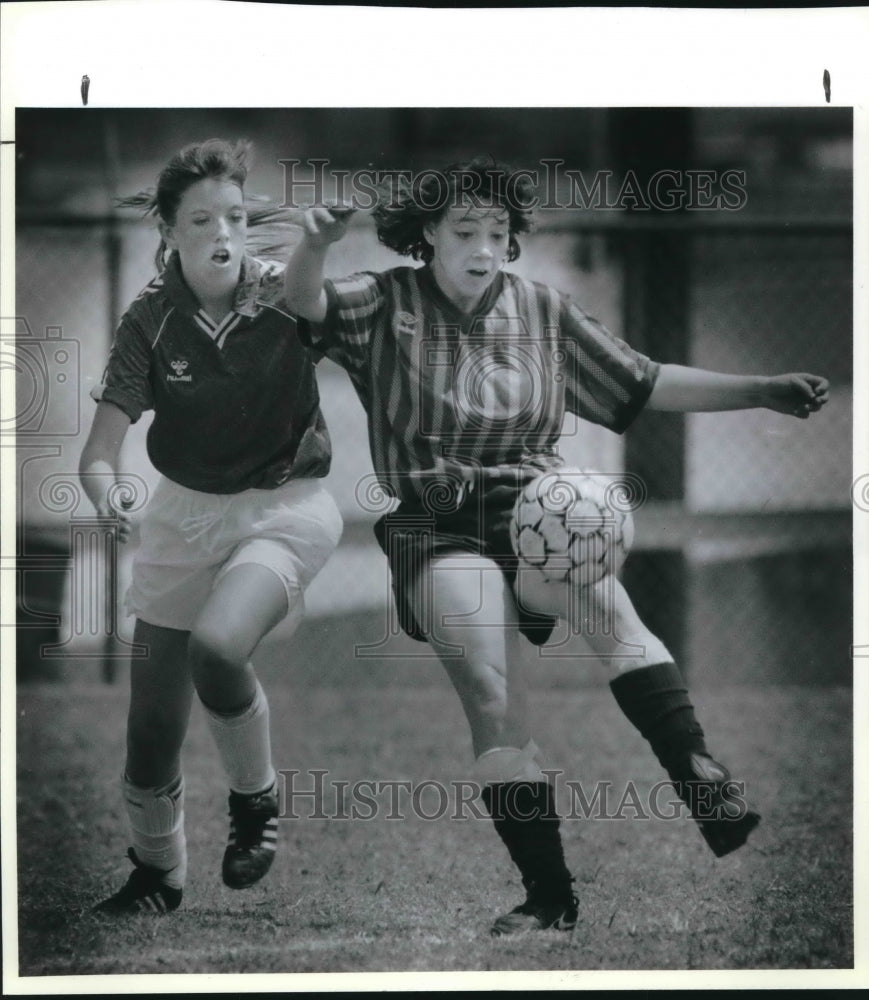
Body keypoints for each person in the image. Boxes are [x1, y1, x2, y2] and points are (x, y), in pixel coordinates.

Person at [282, 157, 830, 936]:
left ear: (510, 242)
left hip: (540, 506)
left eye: (496, 232)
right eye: (464, 230)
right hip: (438, 523)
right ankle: (549, 897)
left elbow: (641, 382)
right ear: (429, 235)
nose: (481, 245)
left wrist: (760, 390)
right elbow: (302, 307)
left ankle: (699, 776)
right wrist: (315, 246)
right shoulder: (384, 300)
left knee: (611, 613)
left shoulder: (542, 309)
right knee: (491, 690)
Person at [79, 139, 343, 915]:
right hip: (183, 515)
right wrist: (108, 490)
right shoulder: (150, 322)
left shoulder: (281, 294)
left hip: (286, 507)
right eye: (200, 219)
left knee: (220, 647)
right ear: (169, 233)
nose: (222, 231)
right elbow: (100, 451)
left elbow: (319, 296)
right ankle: (158, 877)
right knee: (151, 728)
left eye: (233, 214)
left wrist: (319, 245)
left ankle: (255, 807)